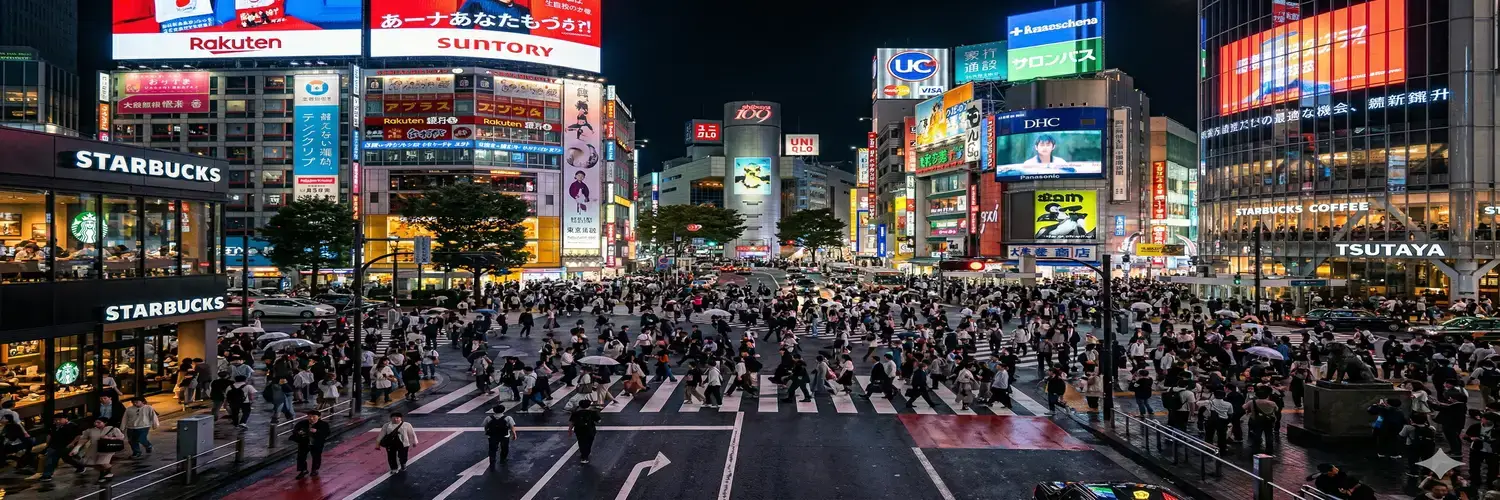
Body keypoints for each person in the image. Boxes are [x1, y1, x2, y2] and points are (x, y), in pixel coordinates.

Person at [70, 417, 125, 484]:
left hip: (107, 448)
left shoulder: (113, 429)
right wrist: (76, 448)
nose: (96, 424)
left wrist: (110, 438)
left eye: (99, 422)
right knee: (93, 463)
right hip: (94, 448)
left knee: (102, 462)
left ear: (105, 423)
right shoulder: (90, 430)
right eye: (95, 422)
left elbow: (121, 437)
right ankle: (103, 473)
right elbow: (83, 439)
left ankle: (107, 472)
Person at [34, 413, 85, 482]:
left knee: (67, 459)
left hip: (66, 446)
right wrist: (47, 445)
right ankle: (47, 475)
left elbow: (79, 436)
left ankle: (80, 466)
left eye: (59, 419)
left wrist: (72, 444)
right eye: (55, 420)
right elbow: (50, 435)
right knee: (51, 459)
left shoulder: (72, 426)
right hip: (54, 446)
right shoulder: (54, 426)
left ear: (66, 419)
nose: (57, 421)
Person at [292, 410, 331, 479]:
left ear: (319, 417)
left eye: (314, 416)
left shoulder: (323, 424)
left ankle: (314, 470)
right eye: (310, 416)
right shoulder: (302, 423)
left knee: (316, 456)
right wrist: (299, 432)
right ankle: (303, 470)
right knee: (301, 456)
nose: (311, 418)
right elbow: (295, 430)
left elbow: (327, 433)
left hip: (316, 443)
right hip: (304, 442)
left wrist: (317, 431)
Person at [568, 400, 601, 464]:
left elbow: (572, 422)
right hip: (590, 430)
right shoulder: (592, 412)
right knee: (589, 443)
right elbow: (599, 421)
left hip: (579, 430)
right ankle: (585, 456)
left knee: (581, 442)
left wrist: (570, 430)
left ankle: (583, 455)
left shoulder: (576, 413)